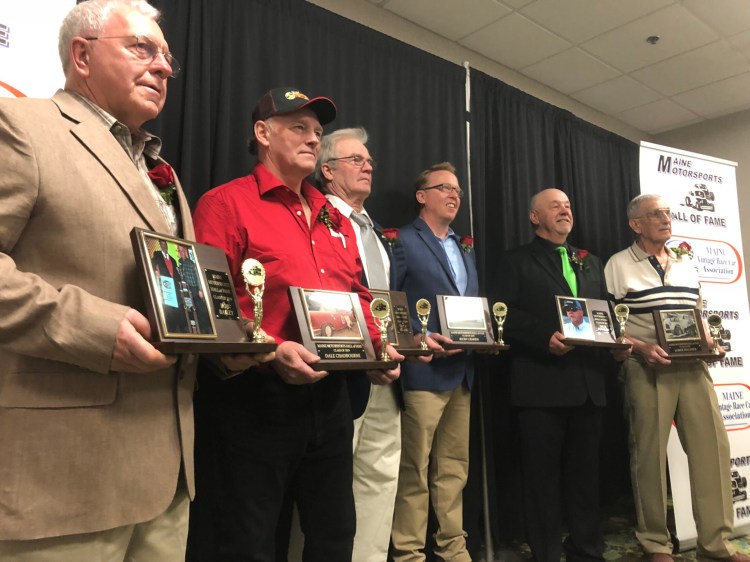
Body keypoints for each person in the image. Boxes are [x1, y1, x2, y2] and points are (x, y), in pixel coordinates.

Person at [0, 1, 269, 560]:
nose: (165, 67)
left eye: (167, 56)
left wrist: (220, 347)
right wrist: (94, 330)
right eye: (142, 49)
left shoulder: (160, 171)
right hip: (66, 481)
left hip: (166, 479)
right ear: (81, 55)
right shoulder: (21, 126)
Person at [188, 88, 402, 562]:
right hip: (254, 397)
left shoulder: (335, 218)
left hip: (329, 398)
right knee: (248, 539)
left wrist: (377, 345)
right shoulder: (225, 205)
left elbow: (359, 297)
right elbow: (211, 305)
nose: (313, 140)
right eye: (299, 128)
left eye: (318, 132)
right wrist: (270, 351)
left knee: (333, 534)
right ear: (263, 134)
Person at [604, 194, 749, 562]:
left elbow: (698, 314)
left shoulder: (685, 262)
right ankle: (655, 543)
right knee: (649, 457)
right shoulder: (618, 265)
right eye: (656, 214)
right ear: (636, 224)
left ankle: (715, 544)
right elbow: (608, 326)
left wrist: (710, 342)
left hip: (692, 367)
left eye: (668, 213)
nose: (666, 219)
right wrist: (638, 348)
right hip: (647, 366)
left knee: (712, 452)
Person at [491, 188, 625, 562]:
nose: (565, 210)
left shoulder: (591, 261)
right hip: (540, 385)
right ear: (535, 217)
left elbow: (604, 312)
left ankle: (586, 549)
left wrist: (616, 338)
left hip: (588, 386)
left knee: (586, 478)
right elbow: (501, 311)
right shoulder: (515, 260)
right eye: (555, 206)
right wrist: (540, 337)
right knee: (542, 481)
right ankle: (546, 553)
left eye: (567, 206)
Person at [316, 127, 403, 561]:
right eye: (355, 160)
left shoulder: (375, 230)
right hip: (340, 375)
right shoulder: (317, 218)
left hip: (387, 373)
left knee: (380, 477)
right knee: (327, 493)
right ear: (326, 170)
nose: (367, 166)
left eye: (369, 160)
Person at [390, 162, 477, 562]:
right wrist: (416, 339)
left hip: (462, 373)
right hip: (423, 370)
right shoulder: (403, 241)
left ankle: (452, 548)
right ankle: (409, 552)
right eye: (444, 187)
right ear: (422, 196)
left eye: (457, 189)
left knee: (454, 469)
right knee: (414, 469)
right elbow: (389, 304)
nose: (454, 194)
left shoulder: (464, 246)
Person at [152, 239, 189, 333]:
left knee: (178, 306)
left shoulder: (173, 259)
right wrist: (156, 272)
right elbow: (153, 265)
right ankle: (171, 330)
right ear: (160, 245)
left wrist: (181, 281)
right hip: (165, 285)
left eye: (165, 244)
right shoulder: (157, 254)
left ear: (167, 246)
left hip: (175, 286)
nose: (164, 246)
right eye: (162, 244)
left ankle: (183, 329)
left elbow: (176, 273)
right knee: (168, 308)